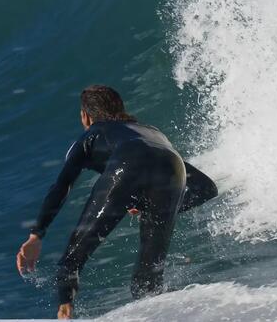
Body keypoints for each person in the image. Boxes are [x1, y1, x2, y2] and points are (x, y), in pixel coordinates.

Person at [16, 85, 217, 319]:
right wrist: (150, 209)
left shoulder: (93, 133)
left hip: (128, 162)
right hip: (173, 165)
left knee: (71, 262)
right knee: (147, 283)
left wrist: (36, 234)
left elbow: (62, 186)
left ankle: (65, 312)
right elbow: (206, 189)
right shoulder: (151, 132)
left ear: (86, 116)